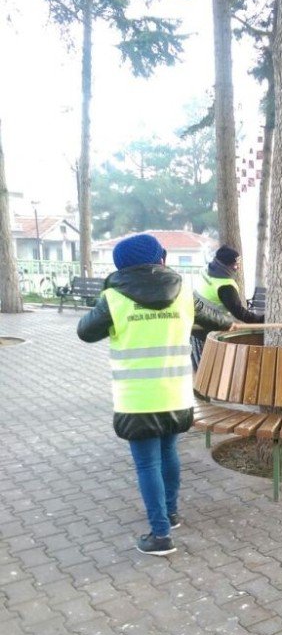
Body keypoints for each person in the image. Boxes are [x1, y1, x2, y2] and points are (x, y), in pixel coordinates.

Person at [77, 233, 194, 556]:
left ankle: (160, 535)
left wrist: (107, 297)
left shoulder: (114, 299)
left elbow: (85, 332)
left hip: (138, 400)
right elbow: (218, 321)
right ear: (160, 259)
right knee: (169, 453)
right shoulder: (185, 292)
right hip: (177, 395)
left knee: (147, 465)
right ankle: (170, 513)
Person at [191, 244, 264, 369]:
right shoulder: (225, 286)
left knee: (203, 369)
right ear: (227, 265)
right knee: (207, 370)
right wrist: (262, 319)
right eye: (236, 263)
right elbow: (240, 313)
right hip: (204, 332)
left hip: (196, 323)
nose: (238, 266)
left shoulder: (207, 270)